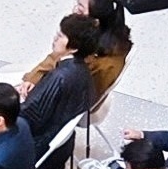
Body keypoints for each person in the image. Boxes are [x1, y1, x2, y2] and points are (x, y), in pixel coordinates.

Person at [24, 10, 115, 142]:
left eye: (60, 36)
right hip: (58, 141)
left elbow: (29, 115)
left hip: (35, 140)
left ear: (74, 48)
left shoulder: (59, 76)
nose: (55, 38)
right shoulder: (84, 73)